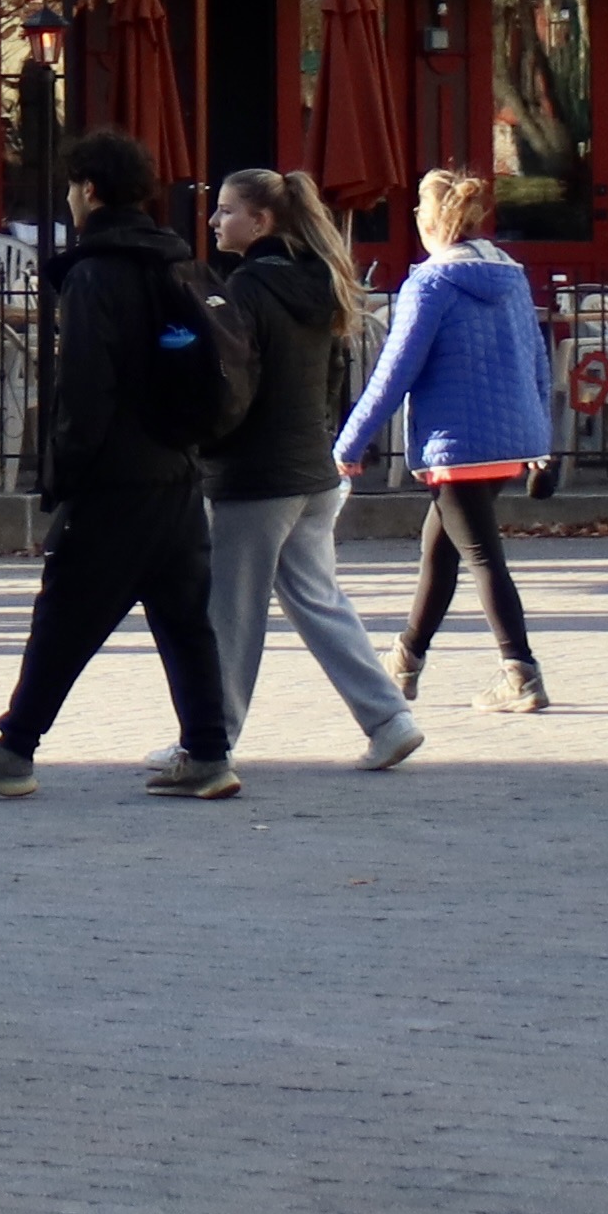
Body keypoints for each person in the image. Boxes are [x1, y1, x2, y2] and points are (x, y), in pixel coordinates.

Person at [0, 134, 238, 802]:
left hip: (116, 476)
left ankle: (15, 747)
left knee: (65, 612)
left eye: (73, 187)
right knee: (185, 618)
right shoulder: (172, 261)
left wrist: (66, 471)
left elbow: (86, 387)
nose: (71, 199)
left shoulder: (95, 273)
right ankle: (209, 753)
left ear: (89, 189)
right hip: (177, 469)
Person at [198, 170, 419, 773]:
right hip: (312, 468)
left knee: (232, 614)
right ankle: (389, 718)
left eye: (226, 211)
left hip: (257, 472)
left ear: (261, 221)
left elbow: (233, 383)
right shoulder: (320, 282)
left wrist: (207, 441)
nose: (216, 222)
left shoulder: (246, 287)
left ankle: (208, 743)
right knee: (319, 600)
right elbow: (329, 382)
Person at [338, 167, 554, 714]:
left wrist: (350, 442)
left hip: (454, 444)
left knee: (481, 556)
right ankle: (406, 659)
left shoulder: (428, 284)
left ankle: (520, 671)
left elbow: (394, 372)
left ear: (424, 220)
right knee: (440, 549)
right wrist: (542, 438)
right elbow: (538, 360)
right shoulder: (512, 276)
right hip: (510, 440)